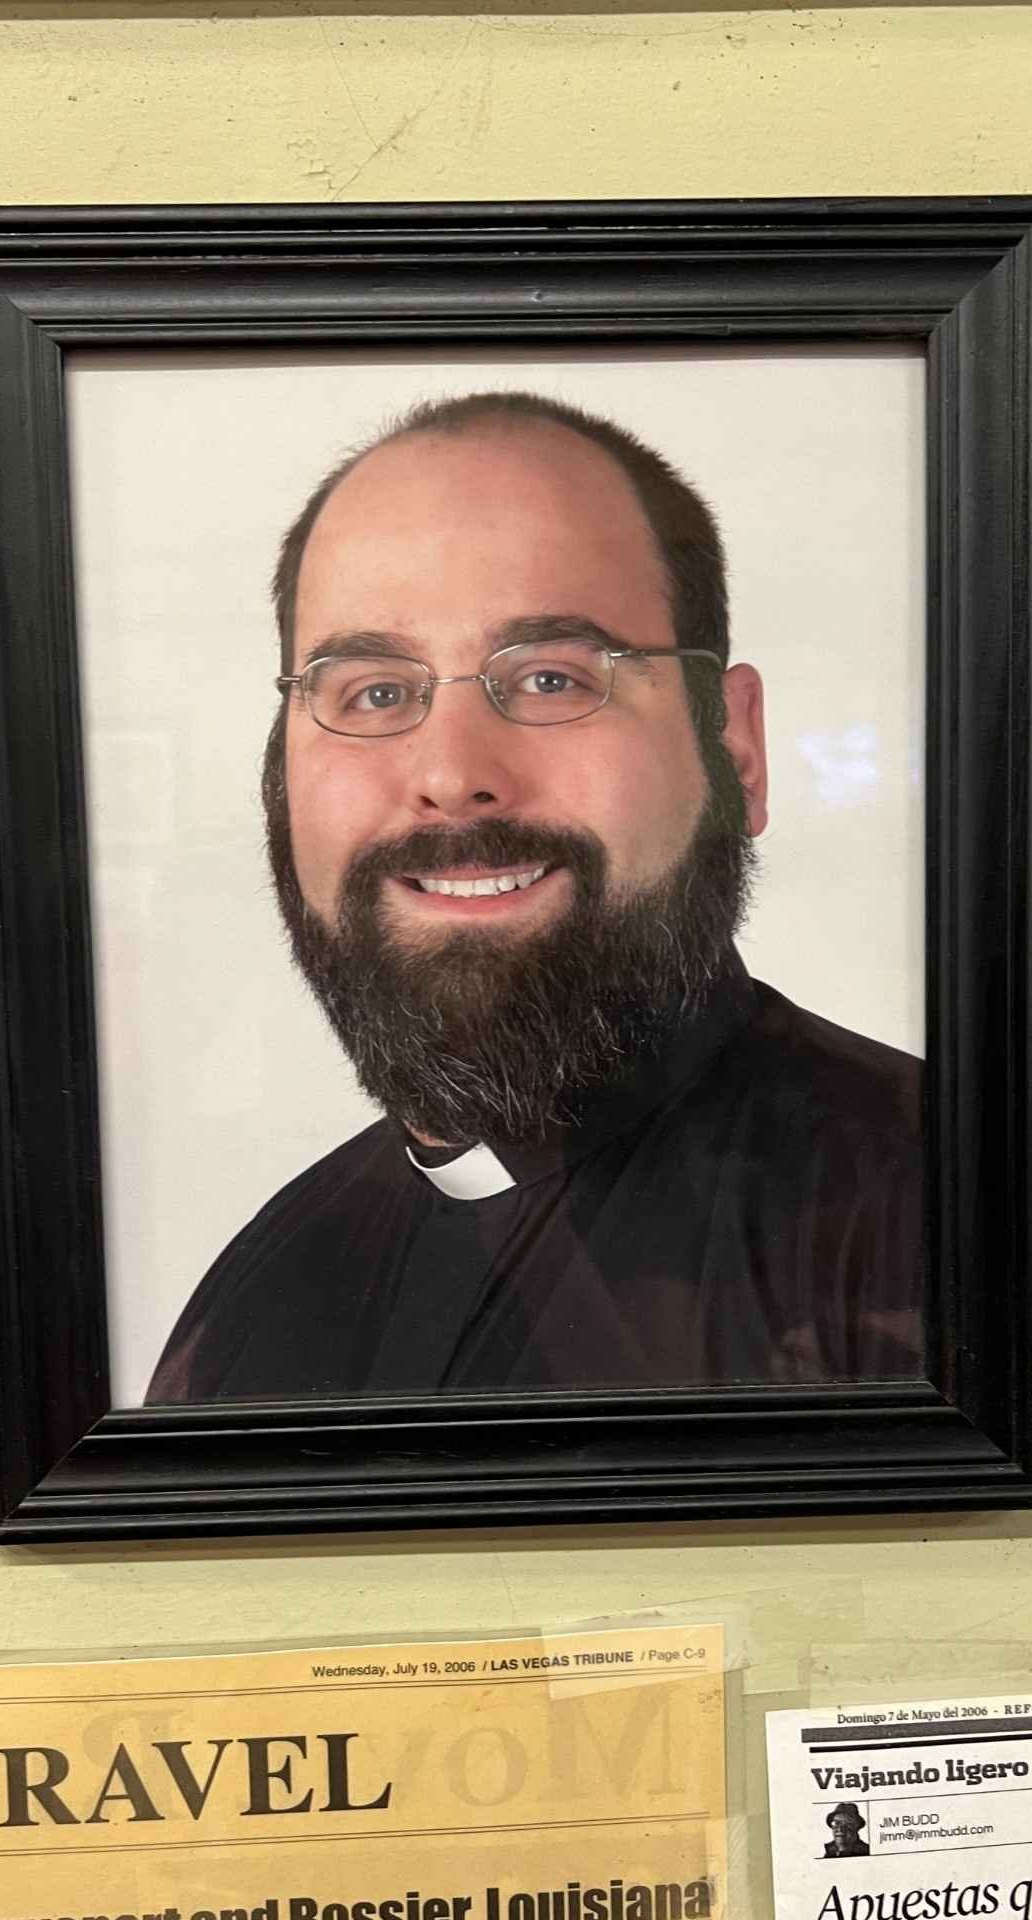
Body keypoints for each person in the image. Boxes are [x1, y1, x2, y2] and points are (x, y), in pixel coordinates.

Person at [147, 389, 922, 1403]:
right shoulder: (250, 1310)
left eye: (554, 678)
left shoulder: (955, 1219)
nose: (451, 775)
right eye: (375, 692)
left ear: (735, 750)